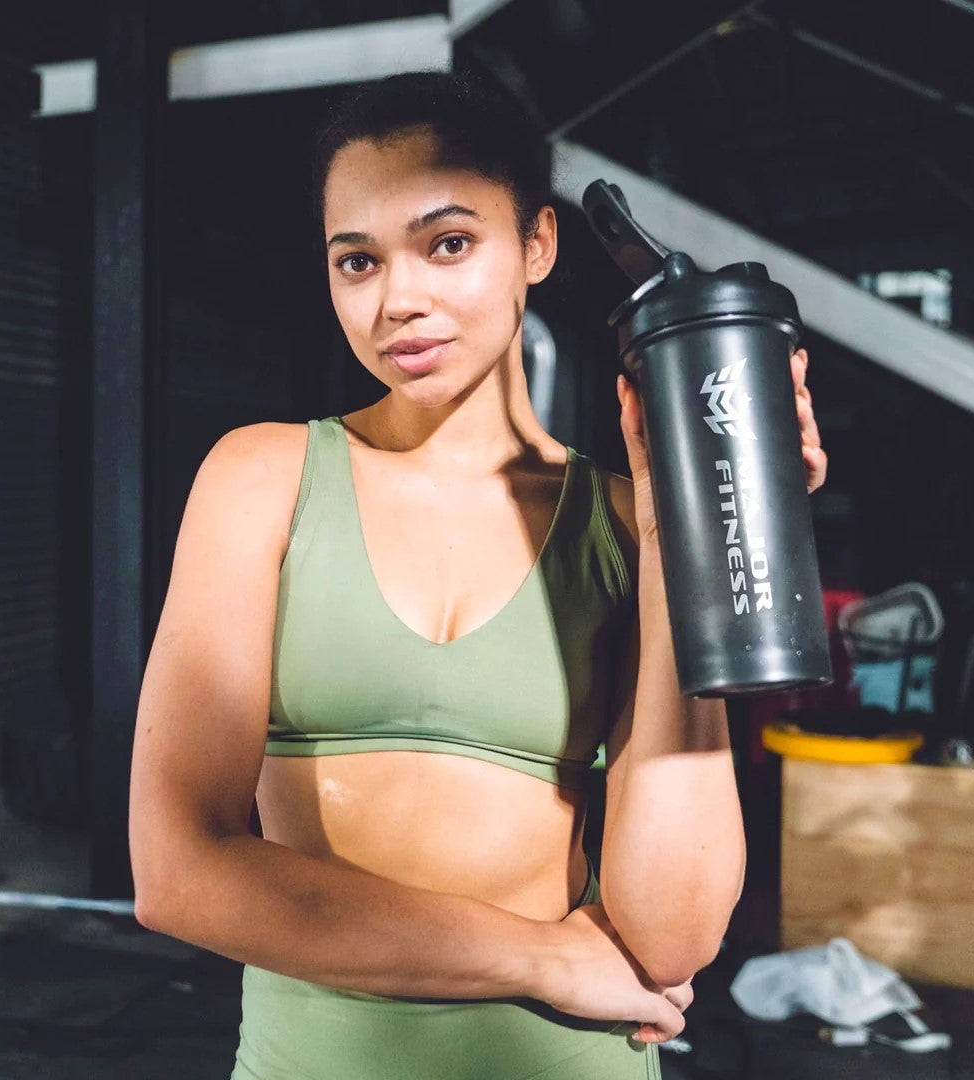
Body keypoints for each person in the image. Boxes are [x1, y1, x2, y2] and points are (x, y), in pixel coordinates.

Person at [128, 70, 827, 1080]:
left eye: (447, 243)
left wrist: (697, 545)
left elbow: (672, 939)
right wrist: (545, 958)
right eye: (357, 261)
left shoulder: (625, 525)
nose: (398, 299)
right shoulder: (265, 479)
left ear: (535, 246)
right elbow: (178, 875)